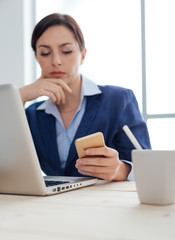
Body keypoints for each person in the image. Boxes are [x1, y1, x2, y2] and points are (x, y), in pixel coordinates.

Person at [19, 13, 151, 181]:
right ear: (37, 57)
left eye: (66, 51)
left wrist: (120, 170)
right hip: (52, 205)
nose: (56, 61)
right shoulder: (32, 115)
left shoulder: (119, 100)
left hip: (107, 204)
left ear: (82, 54)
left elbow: (148, 166)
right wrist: (19, 97)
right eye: (45, 53)